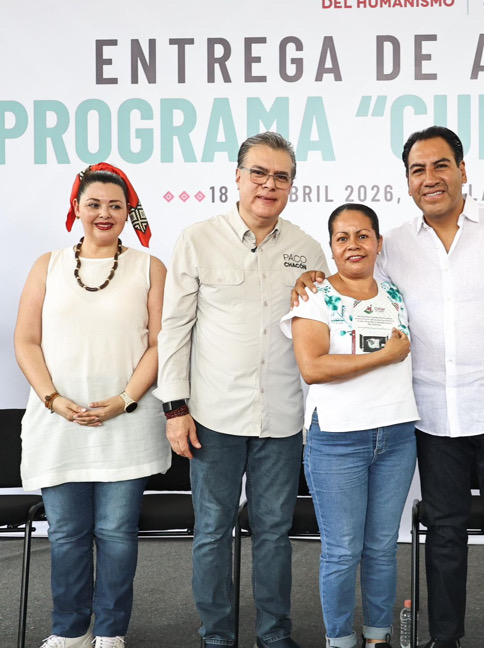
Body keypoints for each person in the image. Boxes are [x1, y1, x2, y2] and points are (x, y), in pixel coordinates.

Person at [295, 126, 484, 648]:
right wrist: (309, 277)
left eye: (440, 166)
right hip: (433, 419)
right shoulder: (393, 245)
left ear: (463, 171)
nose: (430, 178)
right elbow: (353, 276)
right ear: (408, 182)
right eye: (418, 170)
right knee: (444, 536)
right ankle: (445, 639)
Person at [155, 132, 328, 648]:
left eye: (281, 177)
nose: (268, 185)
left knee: (274, 533)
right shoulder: (197, 238)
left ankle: (275, 636)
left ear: (292, 186)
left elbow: (317, 330)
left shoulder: (307, 248)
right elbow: (174, 329)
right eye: (259, 173)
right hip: (212, 417)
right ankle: (217, 638)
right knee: (212, 532)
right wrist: (174, 407)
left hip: (280, 418)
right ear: (237, 176)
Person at [14, 163, 169, 648]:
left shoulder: (149, 266)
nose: (105, 214)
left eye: (116, 206)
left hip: (127, 420)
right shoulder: (48, 264)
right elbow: (26, 340)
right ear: (76, 209)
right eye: (94, 204)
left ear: (129, 213)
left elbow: (161, 344)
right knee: (65, 534)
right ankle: (69, 630)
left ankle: (109, 631)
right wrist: (54, 399)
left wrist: (123, 400)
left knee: (117, 533)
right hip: (57, 422)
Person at [280, 203, 419, 648]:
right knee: (342, 552)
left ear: (378, 243)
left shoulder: (396, 292)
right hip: (338, 439)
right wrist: (383, 357)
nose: (354, 245)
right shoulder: (315, 297)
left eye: (363, 236)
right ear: (331, 247)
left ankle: (378, 638)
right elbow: (313, 367)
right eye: (343, 238)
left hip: (397, 435)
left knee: (381, 548)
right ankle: (338, 640)